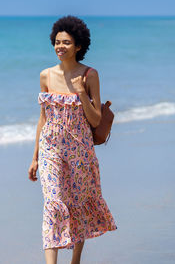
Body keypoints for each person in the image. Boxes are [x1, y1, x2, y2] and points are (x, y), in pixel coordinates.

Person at [28, 15, 118, 264]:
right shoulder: (45, 75)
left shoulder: (89, 75)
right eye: (57, 42)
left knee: (78, 202)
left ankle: (75, 259)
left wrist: (81, 93)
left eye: (66, 42)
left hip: (79, 149)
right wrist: (35, 157)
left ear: (78, 46)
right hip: (51, 148)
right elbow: (42, 118)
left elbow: (96, 119)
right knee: (53, 201)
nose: (60, 47)